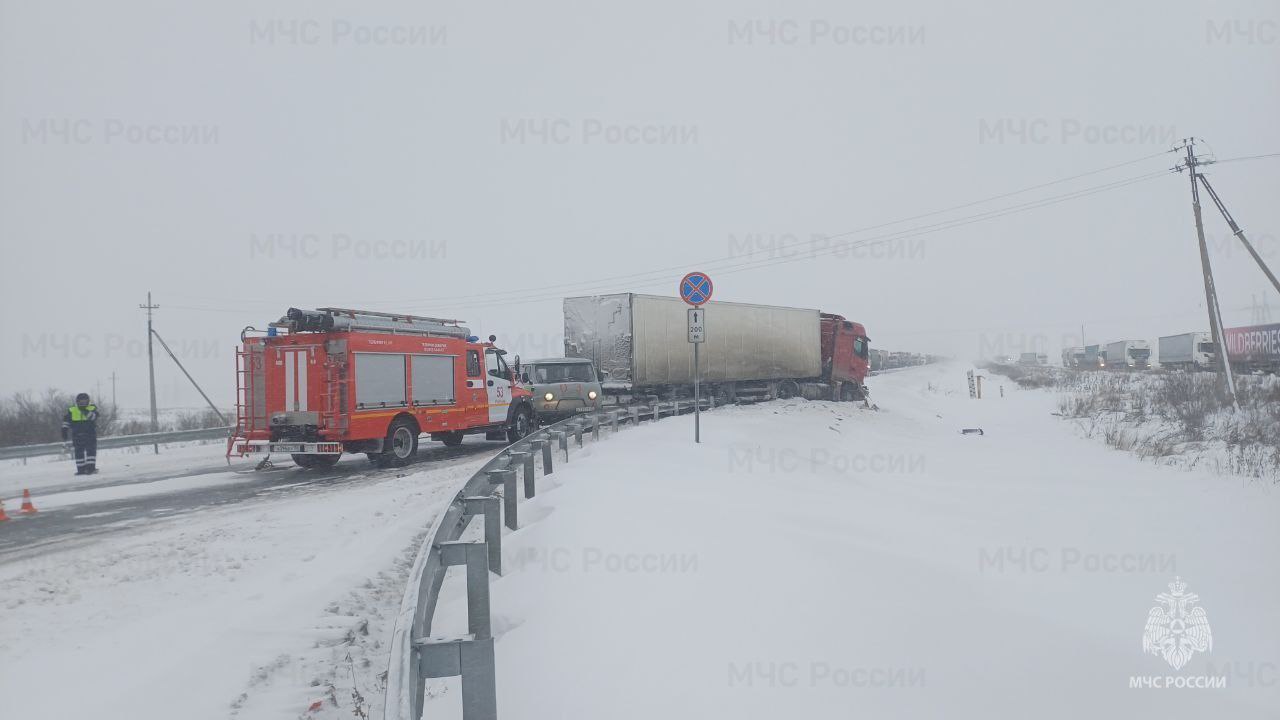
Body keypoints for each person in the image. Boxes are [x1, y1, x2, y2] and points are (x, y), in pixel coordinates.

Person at [62, 392, 99, 475]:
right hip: (77, 435)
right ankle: (81, 470)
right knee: (78, 453)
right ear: (77, 401)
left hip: (90, 434)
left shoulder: (92, 408)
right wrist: (64, 430)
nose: (83, 403)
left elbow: (94, 417)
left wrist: (85, 411)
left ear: (88, 401)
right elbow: (66, 421)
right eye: (81, 401)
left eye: (85, 401)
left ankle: (91, 469)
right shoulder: (72, 410)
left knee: (91, 453)